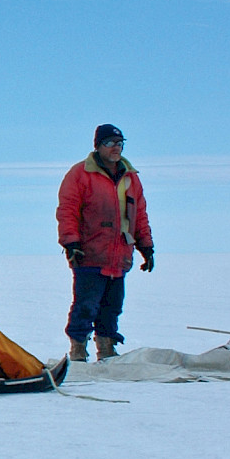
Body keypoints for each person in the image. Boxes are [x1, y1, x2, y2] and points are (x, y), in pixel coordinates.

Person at [56, 124, 154, 362]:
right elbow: (67, 210)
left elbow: (139, 213)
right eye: (110, 143)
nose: (116, 148)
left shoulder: (130, 177)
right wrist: (71, 243)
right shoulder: (80, 174)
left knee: (112, 307)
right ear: (98, 146)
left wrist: (146, 246)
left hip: (119, 255)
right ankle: (78, 349)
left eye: (120, 143)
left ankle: (107, 349)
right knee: (86, 306)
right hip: (89, 253)